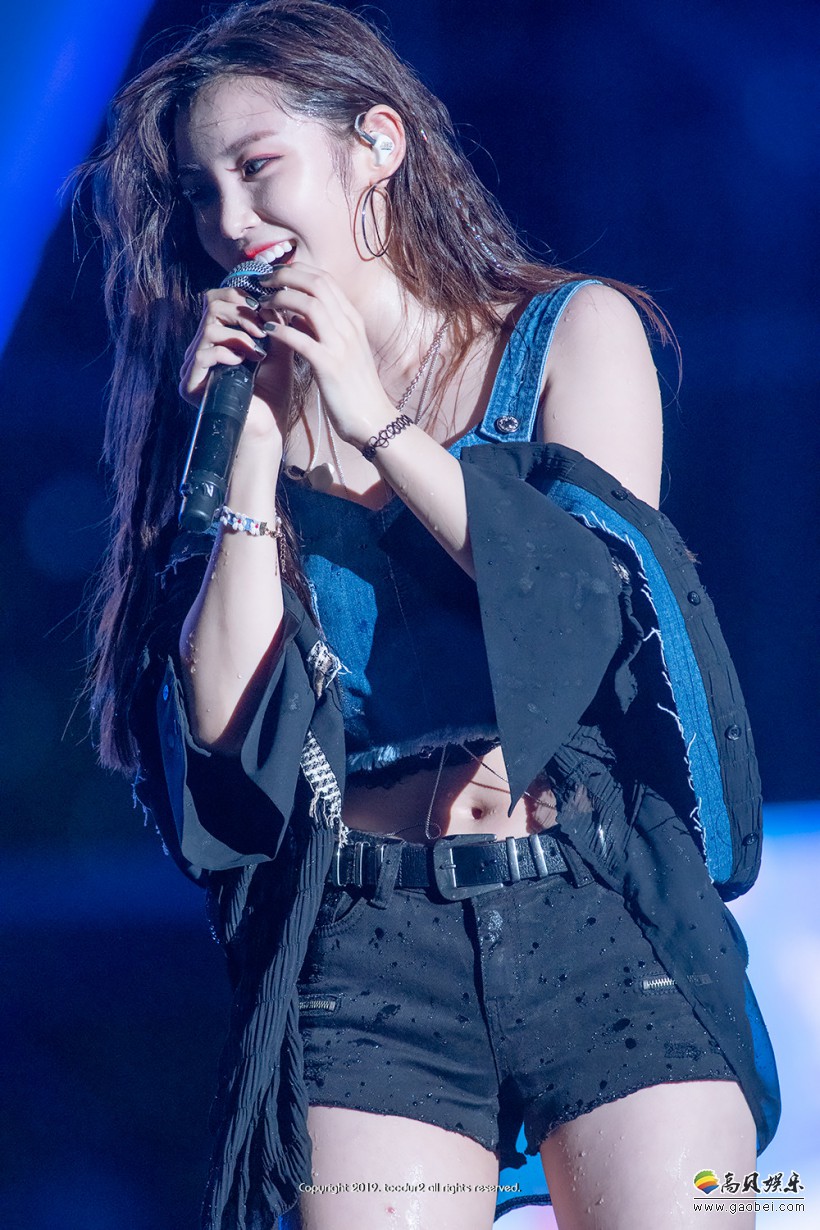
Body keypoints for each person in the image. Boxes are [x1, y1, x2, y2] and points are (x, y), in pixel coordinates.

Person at [83, 2, 779, 1227]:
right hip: (366, 949)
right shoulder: (234, 413)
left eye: (258, 167)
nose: (232, 223)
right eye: (201, 194)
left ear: (377, 144)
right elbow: (226, 747)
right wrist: (247, 454)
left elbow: (586, 616)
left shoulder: (572, 333)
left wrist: (376, 423)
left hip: (599, 911)